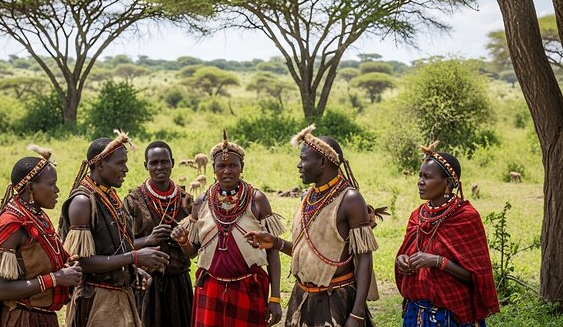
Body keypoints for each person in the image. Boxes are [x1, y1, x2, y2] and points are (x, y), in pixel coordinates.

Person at [245, 125, 379, 327]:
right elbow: (313, 254)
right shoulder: (307, 197)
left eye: (304, 159)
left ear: (323, 161)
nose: (299, 165)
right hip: (302, 298)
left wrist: (357, 313)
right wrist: (275, 242)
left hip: (336, 300)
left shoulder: (350, 199)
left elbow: (365, 257)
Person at [171, 131, 285, 327]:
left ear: (242, 168)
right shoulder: (201, 202)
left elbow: (272, 250)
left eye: (233, 165)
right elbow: (192, 253)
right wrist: (183, 241)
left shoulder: (257, 200)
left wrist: (275, 298)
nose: (227, 171)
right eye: (221, 166)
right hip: (210, 288)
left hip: (249, 288)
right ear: (213, 169)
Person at [59, 130, 170, 327]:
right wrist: (134, 257)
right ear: (100, 165)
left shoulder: (108, 195)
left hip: (119, 295)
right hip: (97, 302)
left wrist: (131, 270)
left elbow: (110, 249)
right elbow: (81, 263)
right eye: (120, 163)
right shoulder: (83, 202)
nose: (126, 169)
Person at [0, 145, 82, 327]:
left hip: (43, 318)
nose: (57, 190)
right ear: (30, 187)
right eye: (51, 184)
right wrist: (56, 278)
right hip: (22, 319)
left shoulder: (37, 216)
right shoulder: (13, 224)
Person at [395, 142, 499, 326]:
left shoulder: (466, 217)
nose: (420, 181)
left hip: (453, 314)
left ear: (448, 183)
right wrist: (403, 261)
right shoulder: (417, 215)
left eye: (427, 177)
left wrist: (438, 262)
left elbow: (477, 276)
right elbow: (409, 252)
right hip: (415, 311)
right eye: (420, 176)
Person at [122, 141, 195, 327]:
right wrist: (149, 239)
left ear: (172, 162)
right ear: (146, 165)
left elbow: (195, 250)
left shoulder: (186, 202)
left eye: (165, 161)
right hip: (145, 283)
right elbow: (120, 247)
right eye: (154, 163)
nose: (160, 167)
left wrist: (184, 240)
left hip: (179, 283)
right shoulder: (133, 202)